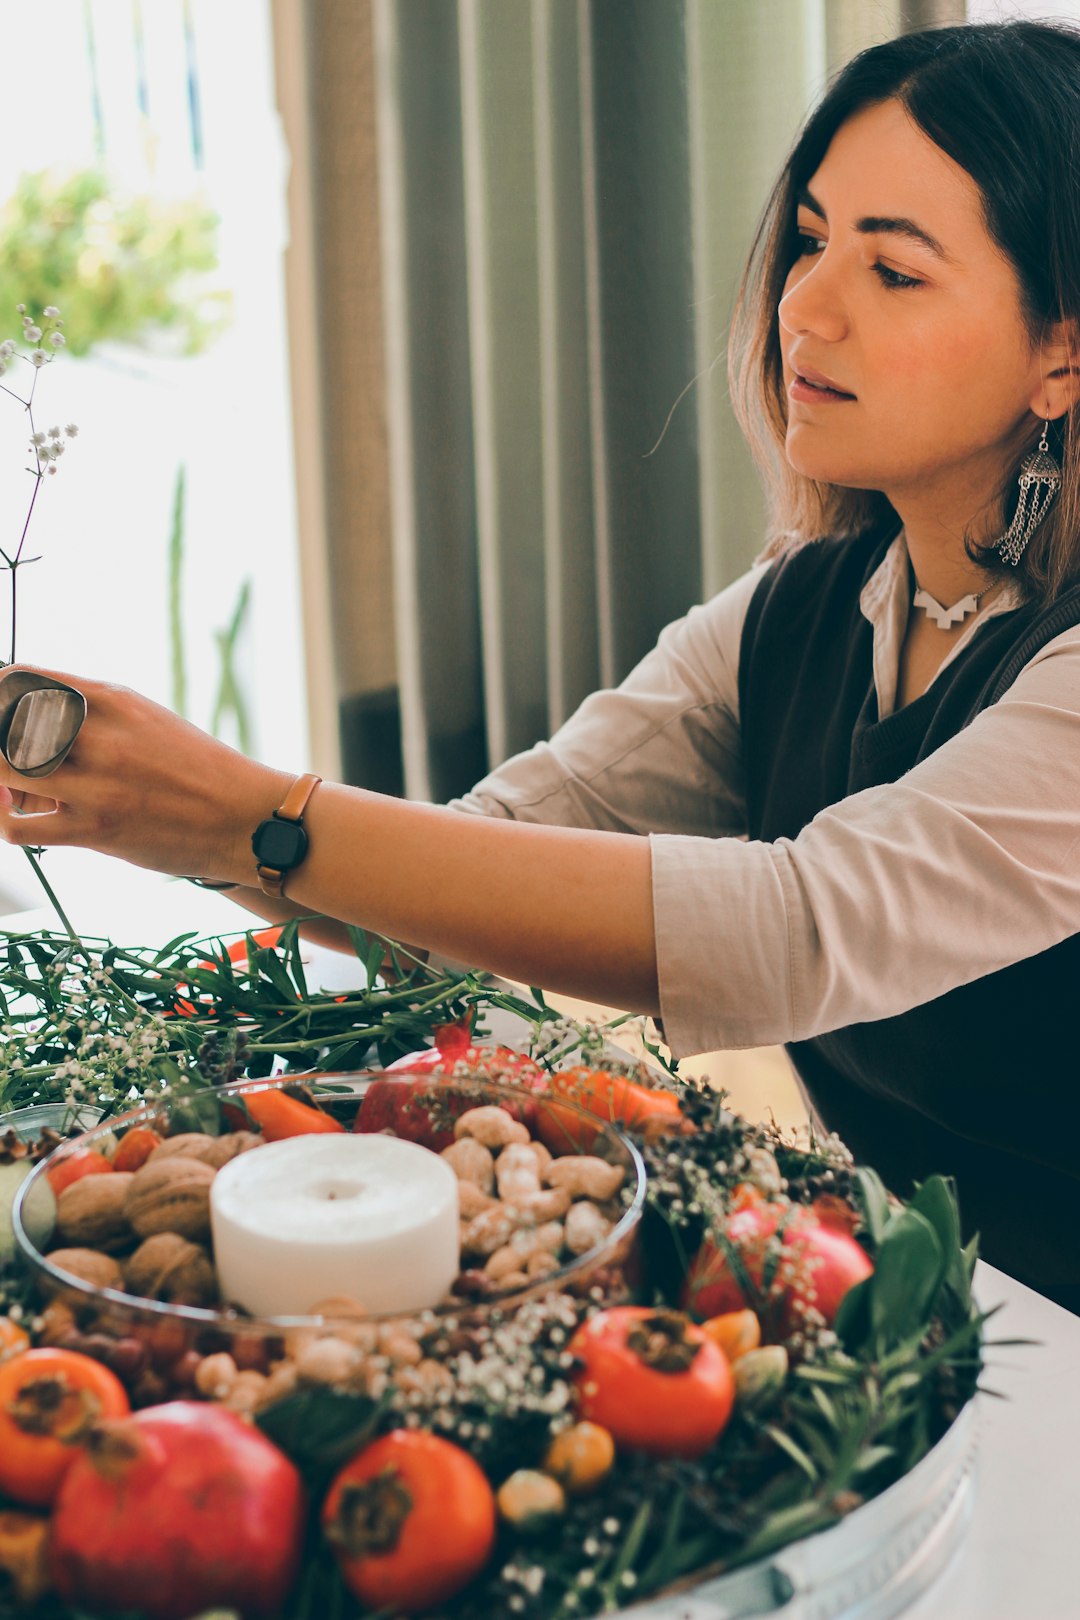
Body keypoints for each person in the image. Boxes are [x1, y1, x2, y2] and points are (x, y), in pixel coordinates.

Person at [2, 20, 1080, 1310]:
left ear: (1062, 354)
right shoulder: (801, 614)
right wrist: (170, 818)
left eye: (893, 273)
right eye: (807, 239)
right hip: (908, 1302)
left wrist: (252, 813)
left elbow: (798, 930)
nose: (804, 304)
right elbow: (474, 859)